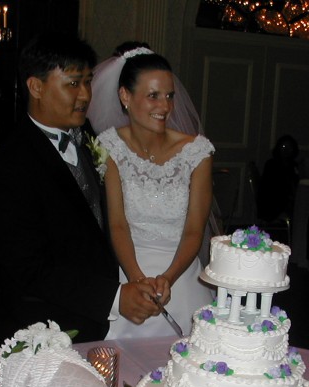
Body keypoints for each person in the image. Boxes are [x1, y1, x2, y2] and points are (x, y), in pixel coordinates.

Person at [0, 32, 160, 343]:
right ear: (36, 87)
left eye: (88, 81)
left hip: (99, 318)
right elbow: (28, 269)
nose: (86, 95)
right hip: (49, 328)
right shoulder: (8, 168)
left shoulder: (88, 137)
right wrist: (113, 297)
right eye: (73, 84)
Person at [89, 45, 215, 338]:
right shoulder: (109, 147)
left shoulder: (197, 152)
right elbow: (117, 224)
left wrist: (168, 278)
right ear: (125, 96)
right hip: (128, 269)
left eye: (169, 96)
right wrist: (136, 281)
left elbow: (194, 230)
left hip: (181, 274)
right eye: (153, 96)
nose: (165, 106)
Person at [257, 134, 300, 223]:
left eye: (289, 147)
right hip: (272, 203)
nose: (286, 150)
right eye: (283, 146)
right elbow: (269, 188)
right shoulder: (271, 164)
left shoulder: (293, 166)